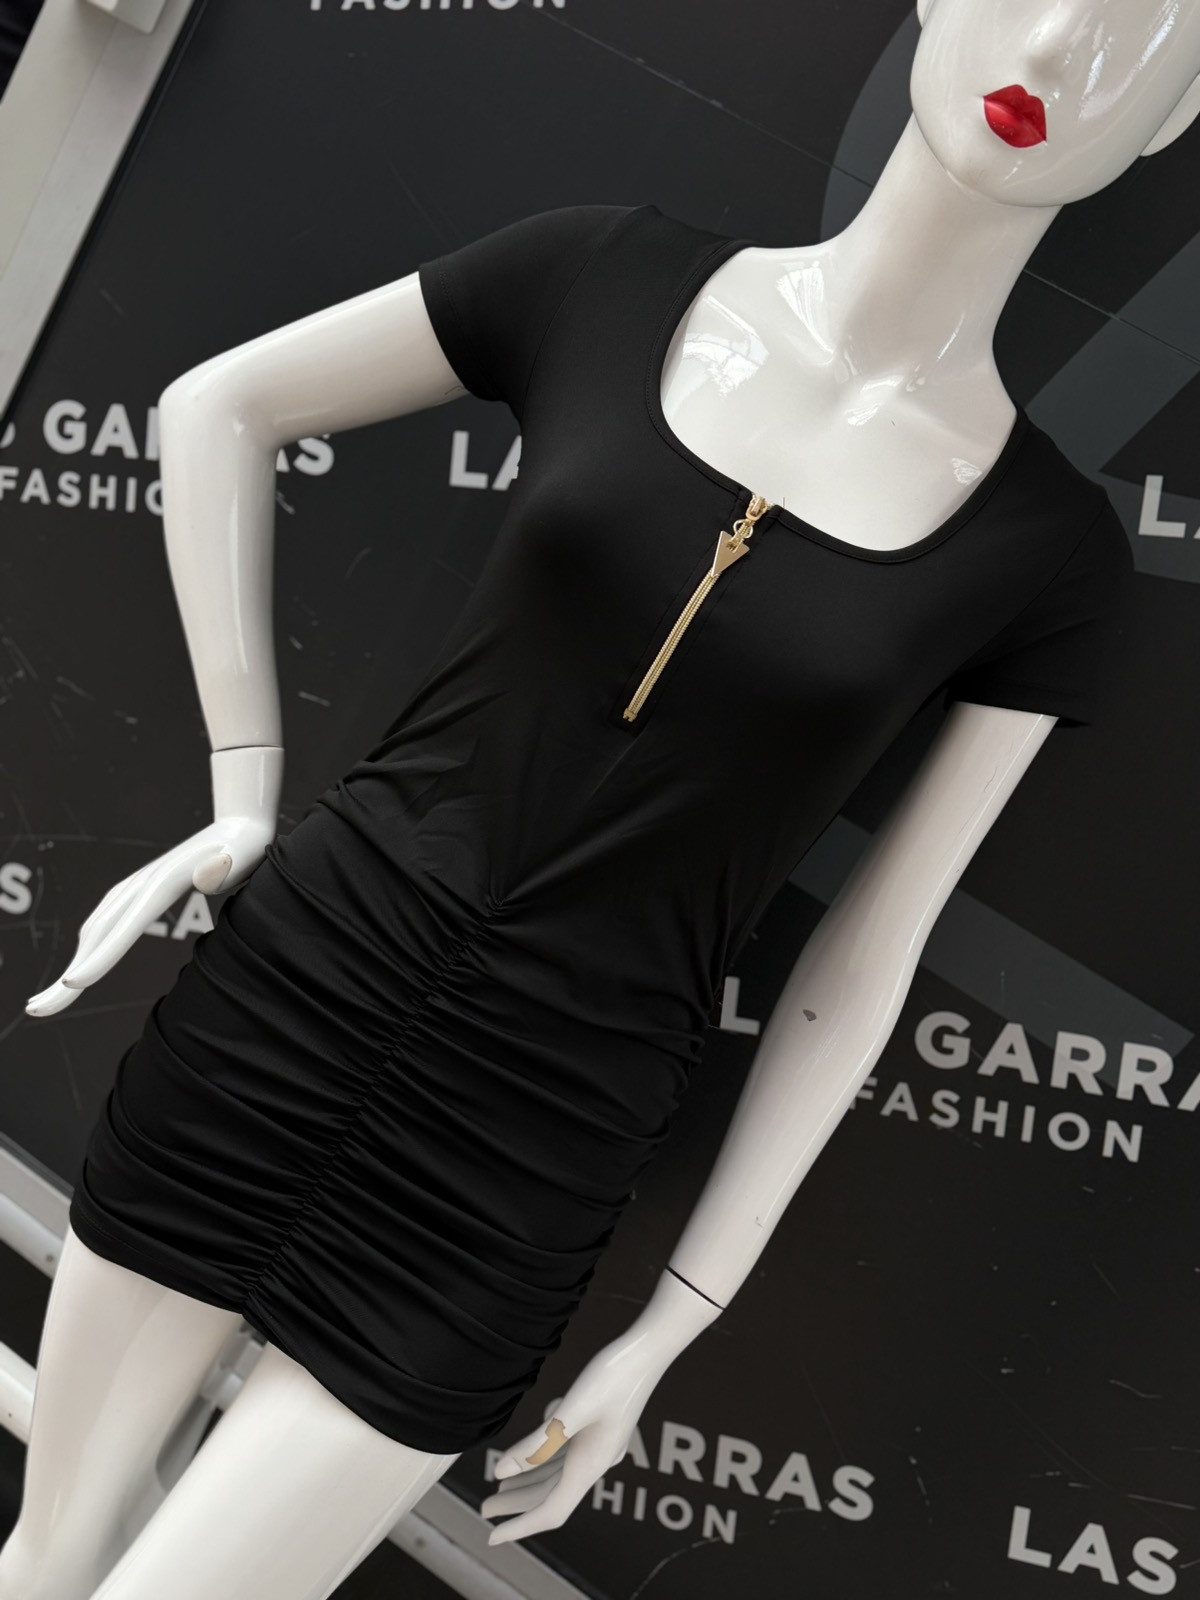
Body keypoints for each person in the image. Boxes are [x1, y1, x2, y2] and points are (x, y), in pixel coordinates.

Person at [5, 3, 1188, 1597]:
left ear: (1172, 120)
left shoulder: (1043, 555)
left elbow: (866, 957)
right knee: (52, 1555)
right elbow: (221, 402)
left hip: (526, 1148)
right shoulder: (607, 276)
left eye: (1137, 35)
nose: (1051, 52)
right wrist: (243, 792)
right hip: (292, 998)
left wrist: (675, 1321)